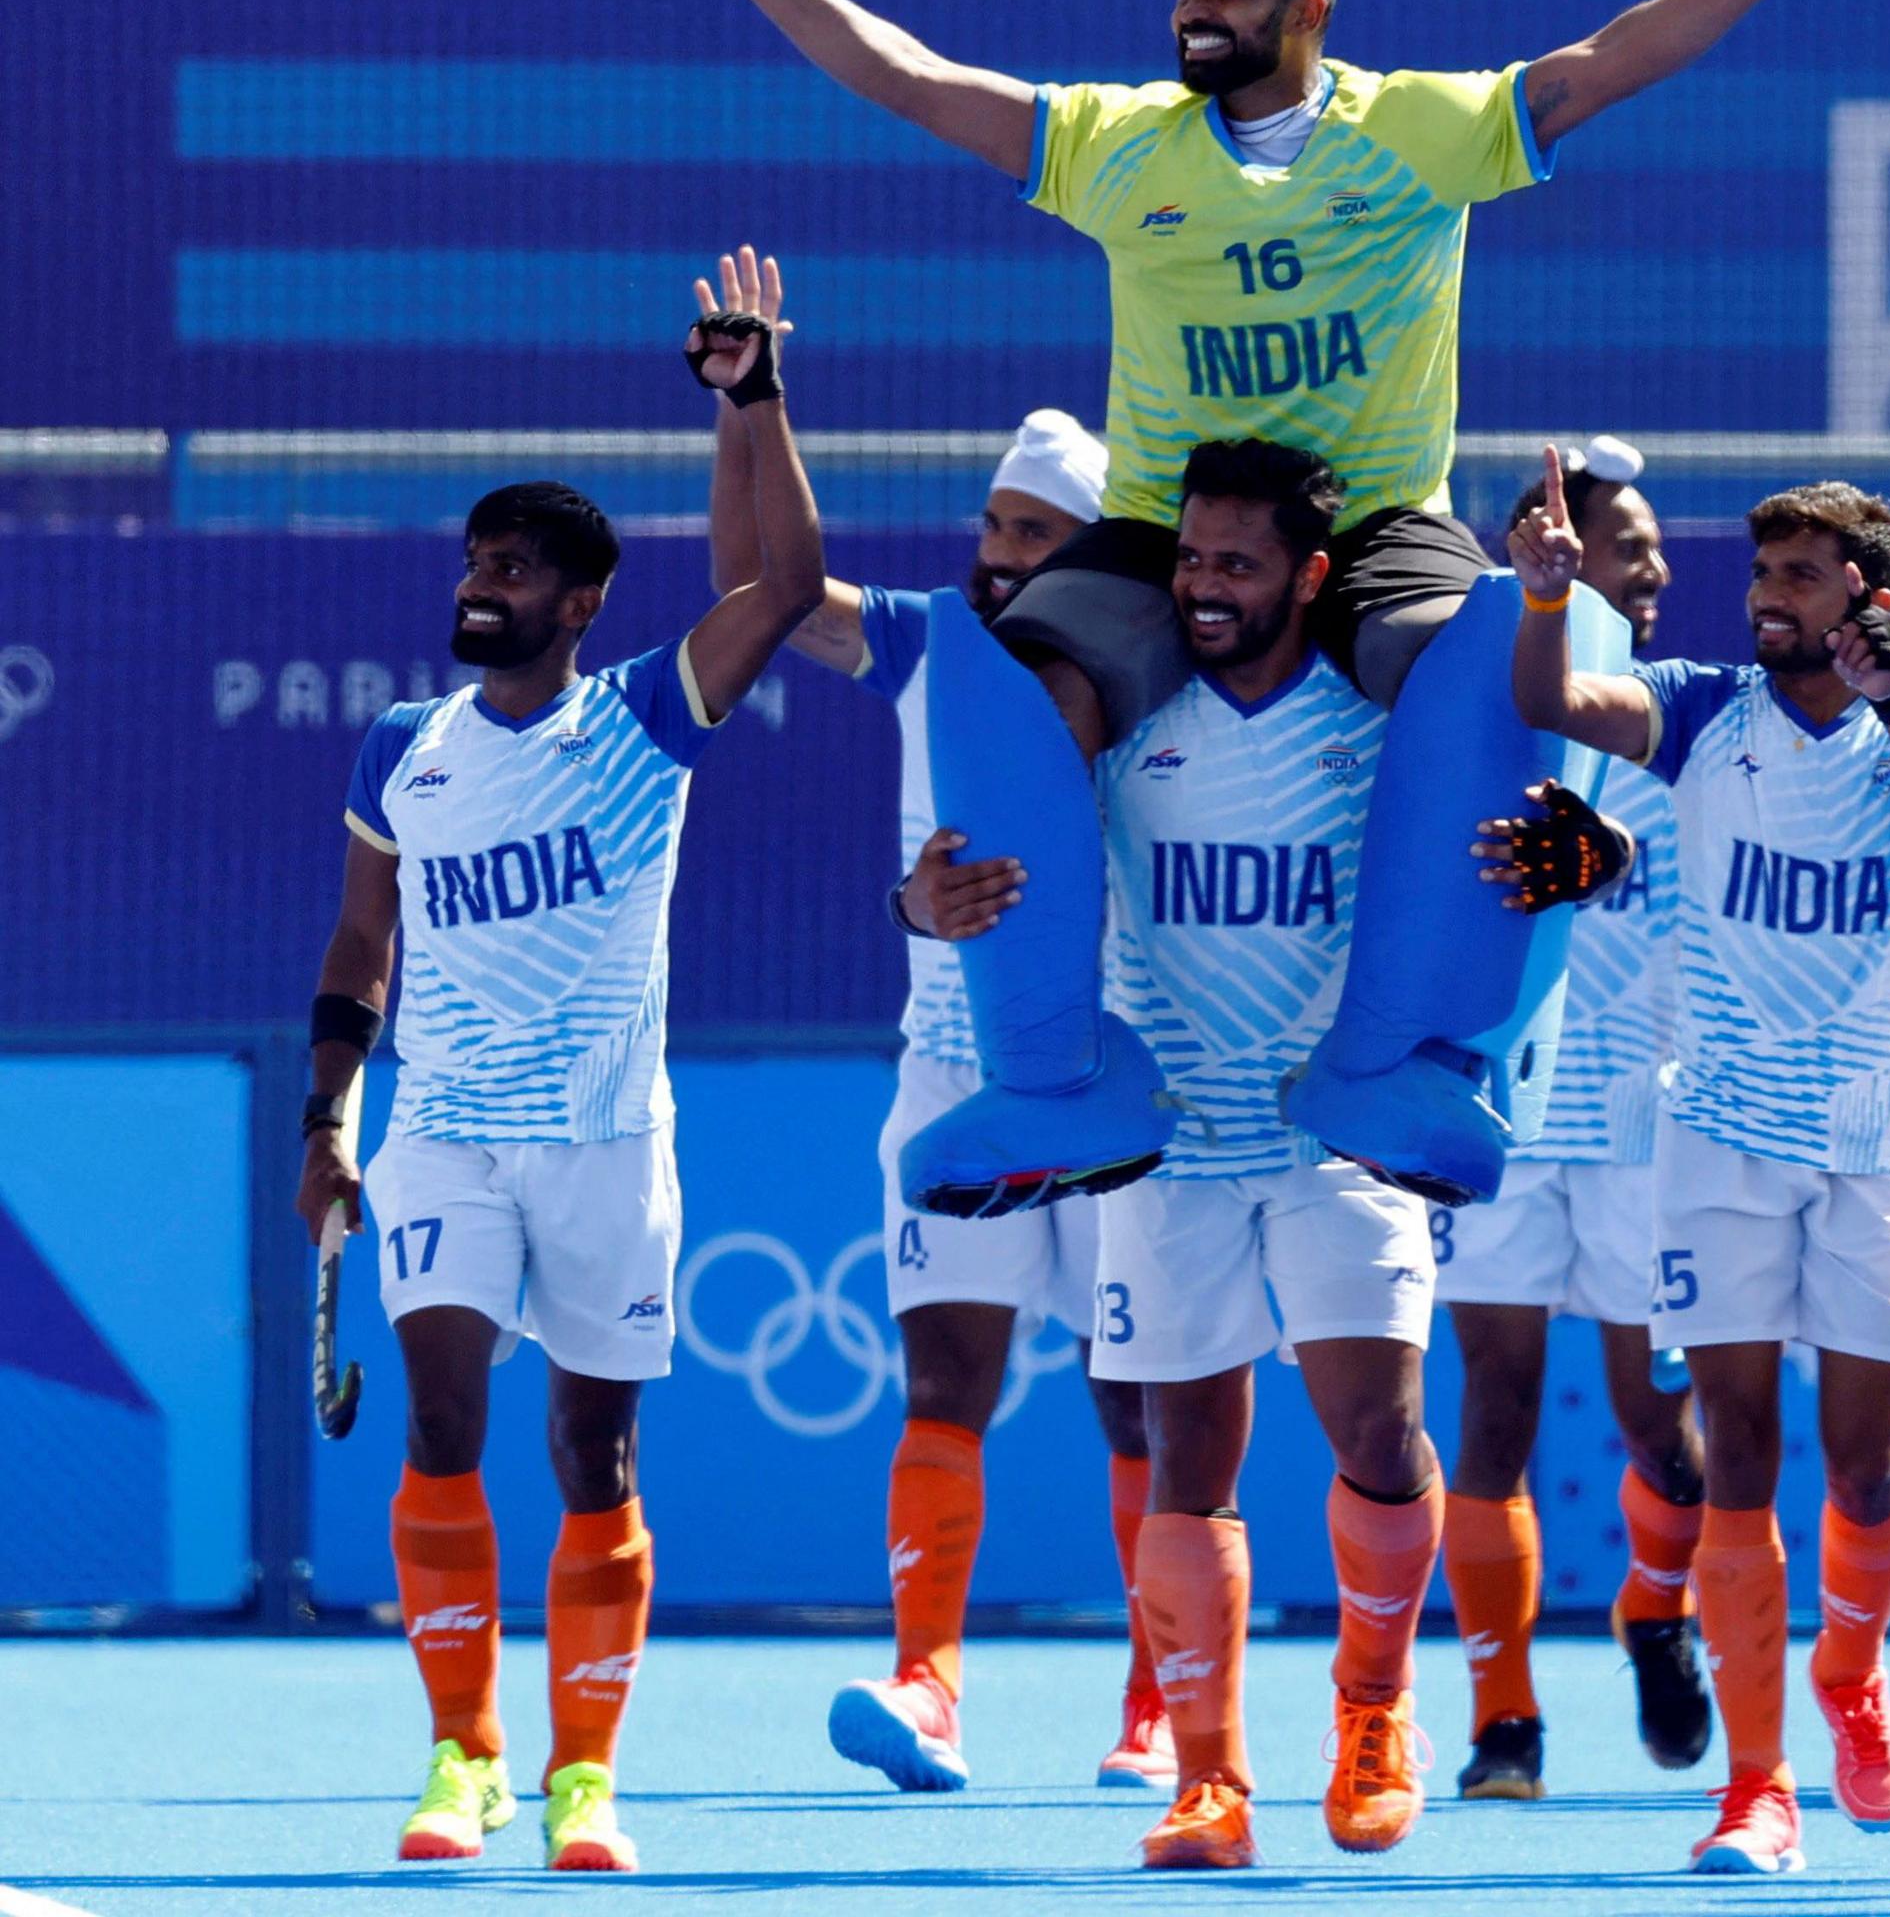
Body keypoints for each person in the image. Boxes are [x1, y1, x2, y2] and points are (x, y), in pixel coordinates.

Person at [662, 0, 1863, 1211]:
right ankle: (1053, 1086)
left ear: (1308, 11)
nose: (1188, 11)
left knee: (1494, 653)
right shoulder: (1119, 145)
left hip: (1368, 523)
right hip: (1169, 526)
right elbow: (916, 81)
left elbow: (1608, 61)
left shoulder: (1416, 128)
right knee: (999, 683)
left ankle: (1401, 1066)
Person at [306, 256, 828, 1873]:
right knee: (443, 1417)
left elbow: (783, 585)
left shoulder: (643, 724)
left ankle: (582, 1774)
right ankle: (461, 1757)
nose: (485, 583)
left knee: (594, 1456)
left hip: (609, 1142)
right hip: (444, 1134)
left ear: (581, 602)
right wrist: (331, 1116)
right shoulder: (406, 746)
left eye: (518, 567)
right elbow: (357, 953)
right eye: (476, 558)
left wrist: (752, 402)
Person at [899, 441, 1439, 1871]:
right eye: (1190, 559)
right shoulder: (1118, 726)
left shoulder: (1379, 734)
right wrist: (919, 901)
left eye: (1236, 564)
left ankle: (1375, 1717)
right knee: (1184, 1461)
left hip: (1336, 1144)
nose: (1203, 586)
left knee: (1377, 1441)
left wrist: (1582, 851)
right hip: (1173, 1148)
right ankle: (1212, 1782)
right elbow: (977, 861)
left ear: (1309, 579)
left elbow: (1497, 852)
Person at [1500, 478, 1890, 1874]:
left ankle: (1852, 1672)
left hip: (1878, 1140)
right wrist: (1545, 597)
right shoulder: (1705, 705)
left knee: (1865, 1465)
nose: (1766, 590)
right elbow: (1559, 703)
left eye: (1798, 572)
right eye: (1763, 568)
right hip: (1715, 1134)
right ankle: (1758, 1786)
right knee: (1740, 1464)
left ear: (1866, 595)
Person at [713, 409, 1165, 1794]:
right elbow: (761, 595)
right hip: (954, 1076)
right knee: (945, 1389)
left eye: (1033, 533)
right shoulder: (927, 644)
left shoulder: (1167, 668)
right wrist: (753, 407)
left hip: (1120, 1086)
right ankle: (928, 1688)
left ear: (1093, 553)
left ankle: (1160, 1706)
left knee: (1138, 1403)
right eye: (992, 527)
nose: (999, 556)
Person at [1431, 439, 1715, 1800]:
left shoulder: (1690, 720)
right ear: (1545, 560)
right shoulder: (1463, 723)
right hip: (1502, 1124)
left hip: (1651, 1135)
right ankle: (1503, 1720)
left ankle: (1657, 1610)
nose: (1654, 567)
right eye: (1627, 543)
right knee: (1492, 1413)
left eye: (1656, 545)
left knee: (1663, 1428)